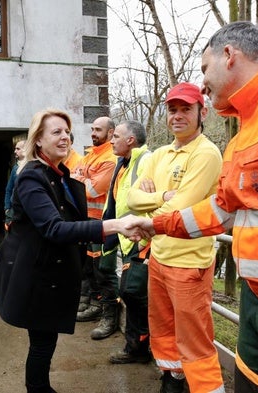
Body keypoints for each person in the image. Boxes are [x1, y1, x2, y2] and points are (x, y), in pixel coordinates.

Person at [130, 21, 258, 393]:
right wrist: (157, 225)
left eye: (204, 69)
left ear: (229, 55)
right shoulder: (240, 137)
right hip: (255, 304)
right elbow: (220, 211)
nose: (202, 83)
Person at [0, 108, 144, 393]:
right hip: (36, 275)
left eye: (67, 131)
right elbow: (54, 229)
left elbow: (71, 220)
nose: (65, 137)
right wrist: (114, 225)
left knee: (44, 340)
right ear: (38, 141)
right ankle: (38, 388)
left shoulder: (57, 174)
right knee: (42, 342)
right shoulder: (32, 177)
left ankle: (40, 387)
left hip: (48, 271)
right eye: (56, 132)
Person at [126, 82, 224, 393]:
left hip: (189, 263)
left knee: (195, 340)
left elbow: (181, 207)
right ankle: (173, 379)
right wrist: (162, 198)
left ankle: (205, 387)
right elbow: (131, 197)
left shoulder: (207, 153)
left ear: (201, 112)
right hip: (159, 257)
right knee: (164, 330)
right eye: (173, 110)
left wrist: (152, 209)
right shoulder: (159, 155)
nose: (178, 116)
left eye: (186, 109)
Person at [103, 120, 153, 361]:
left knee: (133, 291)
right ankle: (136, 346)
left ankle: (139, 348)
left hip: (141, 239)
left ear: (130, 140)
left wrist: (146, 239)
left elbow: (153, 200)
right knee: (130, 293)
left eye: (117, 136)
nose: (111, 140)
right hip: (126, 238)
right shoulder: (122, 164)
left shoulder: (146, 161)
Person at [72, 117, 119, 338]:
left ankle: (109, 316)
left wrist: (81, 178)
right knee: (89, 267)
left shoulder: (110, 159)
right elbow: (73, 183)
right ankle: (94, 305)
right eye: (92, 129)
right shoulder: (91, 155)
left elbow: (89, 191)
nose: (93, 133)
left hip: (102, 223)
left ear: (110, 133)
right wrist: (83, 178)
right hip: (86, 222)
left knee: (104, 270)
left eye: (97, 130)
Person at [3, 140, 25, 230]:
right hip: (13, 211)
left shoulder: (33, 167)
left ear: (26, 150)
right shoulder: (15, 169)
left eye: (18, 149)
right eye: (15, 149)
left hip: (28, 212)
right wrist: (7, 208)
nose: (15, 151)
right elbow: (9, 189)